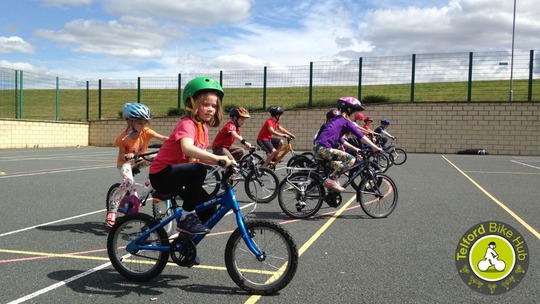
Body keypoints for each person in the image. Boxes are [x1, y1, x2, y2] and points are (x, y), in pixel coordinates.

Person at [149, 76, 233, 235]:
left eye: (214, 106)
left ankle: (185, 244)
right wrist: (217, 158)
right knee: (198, 169)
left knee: (209, 209)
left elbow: (200, 156)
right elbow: (187, 148)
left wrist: (226, 163)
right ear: (191, 104)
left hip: (179, 177)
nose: (211, 109)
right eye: (205, 104)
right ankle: (185, 218)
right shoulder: (187, 124)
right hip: (162, 175)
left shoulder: (203, 128)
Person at [106, 103, 168, 227]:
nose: (143, 125)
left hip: (140, 160)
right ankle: (112, 210)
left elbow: (163, 138)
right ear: (130, 122)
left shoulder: (146, 132)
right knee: (128, 182)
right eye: (140, 123)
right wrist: (127, 155)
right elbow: (122, 155)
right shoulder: (123, 138)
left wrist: (176, 140)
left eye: (145, 122)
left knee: (159, 159)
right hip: (126, 163)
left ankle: (150, 182)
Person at [314, 97, 381, 193]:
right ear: (349, 110)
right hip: (323, 149)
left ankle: (332, 192)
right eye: (355, 113)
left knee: (338, 166)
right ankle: (331, 180)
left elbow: (340, 139)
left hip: (319, 148)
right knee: (351, 159)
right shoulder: (346, 121)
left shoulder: (338, 120)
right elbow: (360, 136)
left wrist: (354, 148)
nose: (356, 116)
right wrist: (375, 147)